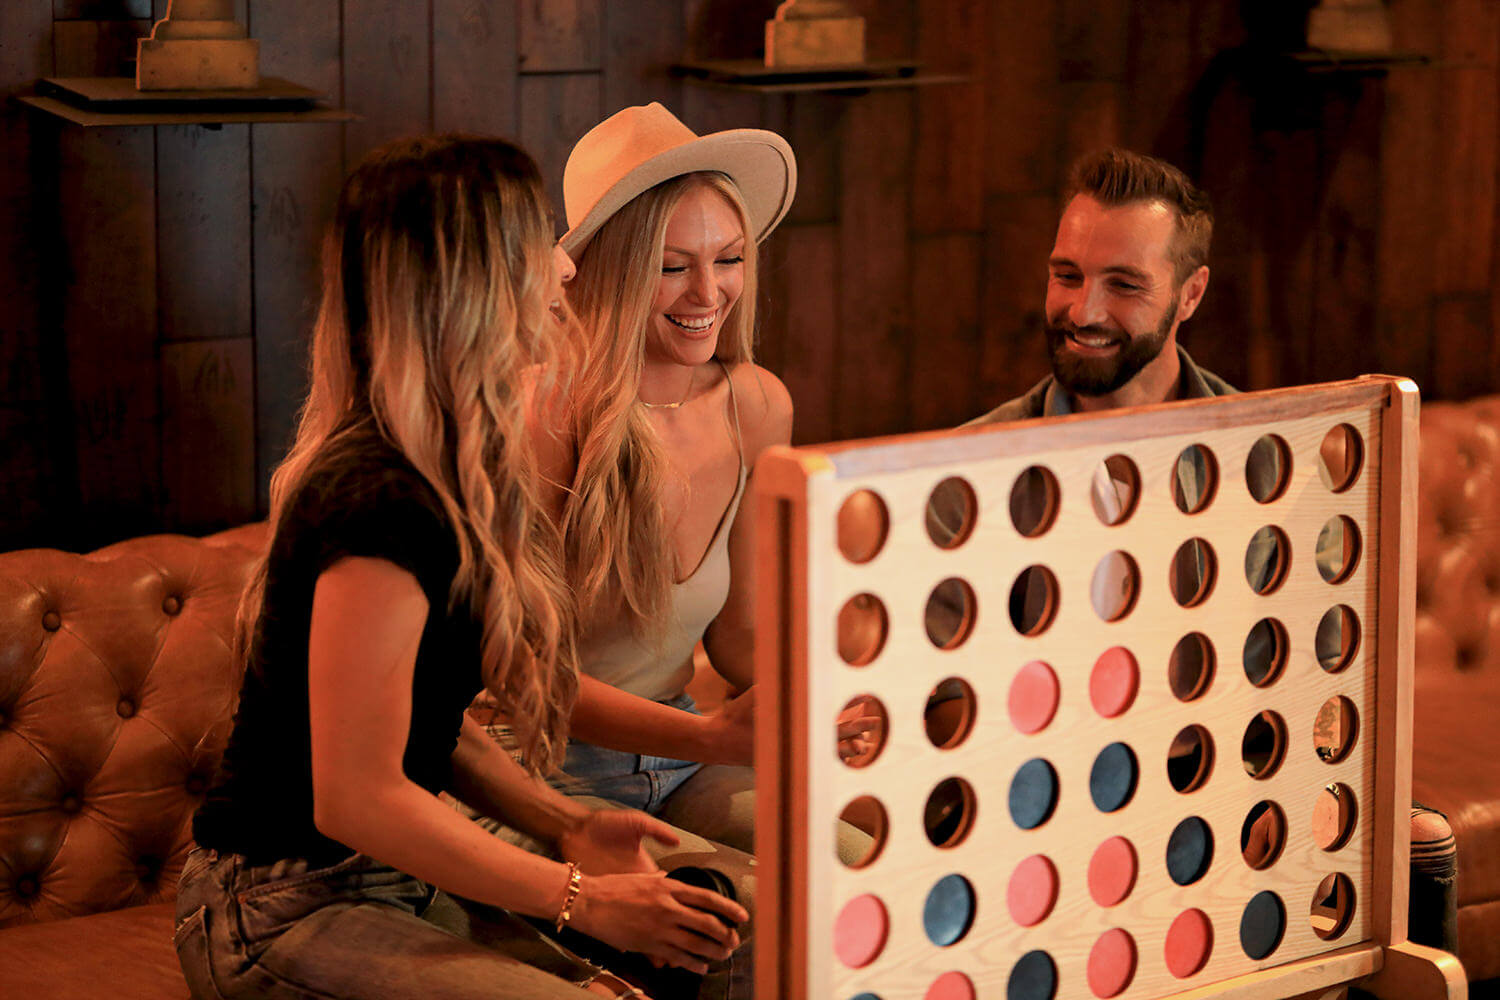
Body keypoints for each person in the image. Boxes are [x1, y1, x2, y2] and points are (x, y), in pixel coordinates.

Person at [174, 134, 746, 1000]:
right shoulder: (378, 499)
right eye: (533, 247)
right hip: (279, 910)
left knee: (716, 952)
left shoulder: (455, 466)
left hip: (398, 881)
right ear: (471, 283)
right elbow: (356, 797)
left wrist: (568, 822)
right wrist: (580, 899)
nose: (561, 271)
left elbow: (436, 723)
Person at [963, 145, 1458, 955]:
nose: (1083, 310)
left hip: (1221, 774)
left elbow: (1330, 670)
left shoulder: (1275, 460)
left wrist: (1307, 789)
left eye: (1124, 285)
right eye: (1066, 275)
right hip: (1041, 785)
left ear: (1190, 294)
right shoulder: (976, 465)